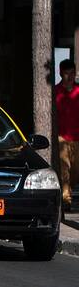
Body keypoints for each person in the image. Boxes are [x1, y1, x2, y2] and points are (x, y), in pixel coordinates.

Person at [56, 58, 79, 210]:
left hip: (78, 139)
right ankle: (66, 199)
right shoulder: (55, 92)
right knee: (64, 169)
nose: (70, 77)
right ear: (60, 73)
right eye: (66, 73)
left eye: (72, 73)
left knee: (75, 173)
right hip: (61, 138)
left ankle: (69, 189)